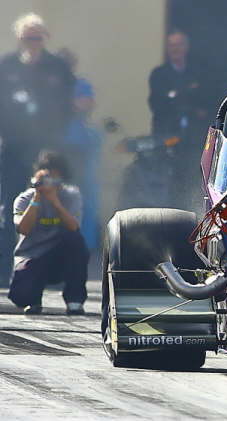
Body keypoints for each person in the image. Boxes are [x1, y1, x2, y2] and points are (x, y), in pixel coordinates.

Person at [0, 14, 75, 283]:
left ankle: (51, 271)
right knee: (12, 205)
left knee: (52, 203)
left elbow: (68, 104)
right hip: (13, 146)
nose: (33, 43)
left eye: (37, 37)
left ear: (45, 38)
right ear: (19, 38)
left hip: (46, 148)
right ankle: (7, 268)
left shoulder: (57, 67)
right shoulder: (6, 65)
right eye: (28, 37)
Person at [8, 151, 88, 315]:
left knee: (77, 242)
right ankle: (33, 300)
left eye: (55, 180)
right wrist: (37, 198)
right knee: (21, 297)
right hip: (33, 256)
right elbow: (23, 229)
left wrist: (55, 202)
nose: (51, 184)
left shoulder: (71, 195)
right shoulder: (24, 199)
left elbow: (74, 227)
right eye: (47, 179)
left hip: (61, 257)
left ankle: (75, 300)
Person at [148, 29, 210, 209]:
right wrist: (184, 96)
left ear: (187, 47)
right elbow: (158, 104)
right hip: (167, 139)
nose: (176, 49)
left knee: (193, 179)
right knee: (167, 183)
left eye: (179, 44)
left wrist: (177, 97)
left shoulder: (198, 72)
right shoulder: (159, 74)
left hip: (193, 140)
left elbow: (204, 101)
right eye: (172, 45)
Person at [57, 48, 103, 251]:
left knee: (84, 196)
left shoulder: (80, 84)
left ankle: (84, 244)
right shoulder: (50, 85)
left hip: (79, 147)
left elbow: (85, 103)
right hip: (56, 148)